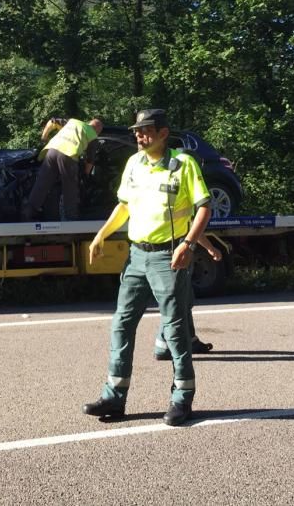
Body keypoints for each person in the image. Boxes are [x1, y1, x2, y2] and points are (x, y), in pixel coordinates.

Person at [83, 108, 212, 427]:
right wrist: (102, 233)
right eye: (137, 131)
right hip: (136, 257)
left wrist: (188, 244)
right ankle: (114, 396)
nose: (140, 136)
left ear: (163, 133)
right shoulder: (134, 164)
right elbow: (124, 205)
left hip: (168, 257)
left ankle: (182, 398)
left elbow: (204, 207)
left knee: (175, 329)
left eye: (147, 130)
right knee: (121, 324)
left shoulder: (183, 165)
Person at [153, 232, 219, 361]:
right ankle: (162, 345)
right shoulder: (181, 212)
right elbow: (194, 228)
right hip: (178, 257)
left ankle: (191, 340)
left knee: (183, 301)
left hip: (171, 256)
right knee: (177, 302)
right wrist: (210, 248)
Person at [23, 116, 103, 221]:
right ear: (98, 130)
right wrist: (86, 174)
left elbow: (52, 121)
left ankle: (27, 213)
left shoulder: (73, 122)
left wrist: (44, 137)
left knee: (42, 184)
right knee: (70, 188)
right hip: (68, 156)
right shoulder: (93, 136)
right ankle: (71, 219)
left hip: (51, 151)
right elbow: (90, 159)